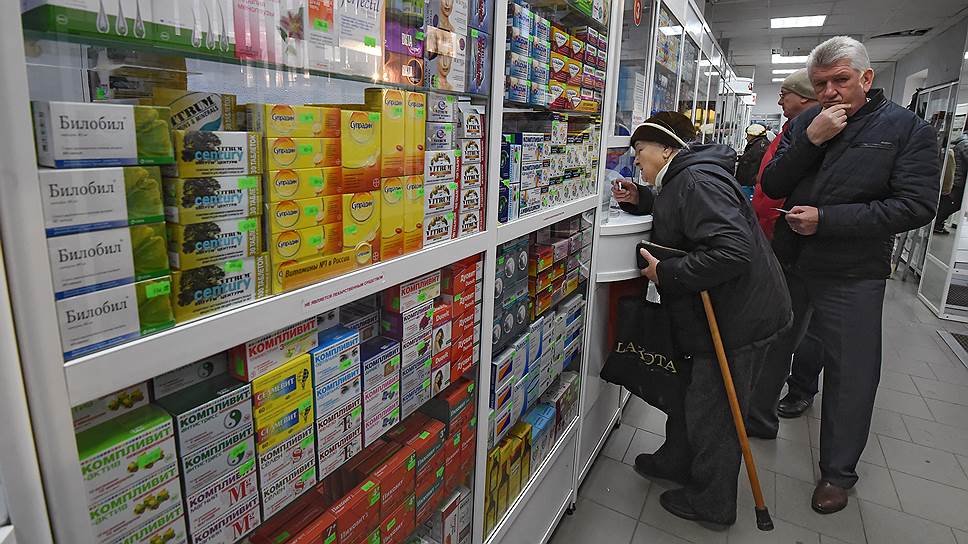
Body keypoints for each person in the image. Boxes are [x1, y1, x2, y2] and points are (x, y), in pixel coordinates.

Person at [752, 36, 939, 514]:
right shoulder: (805, 124)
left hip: (853, 272)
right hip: (792, 260)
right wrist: (810, 141)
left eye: (841, 80)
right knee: (773, 344)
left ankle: (837, 474)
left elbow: (916, 205)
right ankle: (757, 420)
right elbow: (773, 182)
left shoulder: (906, 129)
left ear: (866, 78)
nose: (830, 91)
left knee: (851, 373)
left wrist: (828, 220)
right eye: (821, 84)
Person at [611, 112, 792, 526]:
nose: (635, 159)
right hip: (730, 310)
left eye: (640, 150)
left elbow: (732, 251)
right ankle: (677, 460)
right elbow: (684, 209)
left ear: (666, 149)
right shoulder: (685, 177)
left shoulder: (695, 180)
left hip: (740, 317)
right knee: (689, 392)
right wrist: (643, 198)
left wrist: (667, 273)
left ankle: (713, 502)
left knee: (716, 408)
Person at [747, 69, 828, 426]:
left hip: (799, 247)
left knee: (793, 329)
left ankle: (785, 398)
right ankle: (760, 404)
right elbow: (770, 182)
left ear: (805, 97)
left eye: (785, 94)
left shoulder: (819, 137)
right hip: (776, 241)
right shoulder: (792, 132)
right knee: (778, 326)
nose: (780, 100)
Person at [935, 131, 968, 233]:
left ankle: (938, 223)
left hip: (957, 179)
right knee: (952, 204)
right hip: (958, 180)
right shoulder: (965, 143)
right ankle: (936, 223)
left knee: (950, 203)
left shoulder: (963, 141)